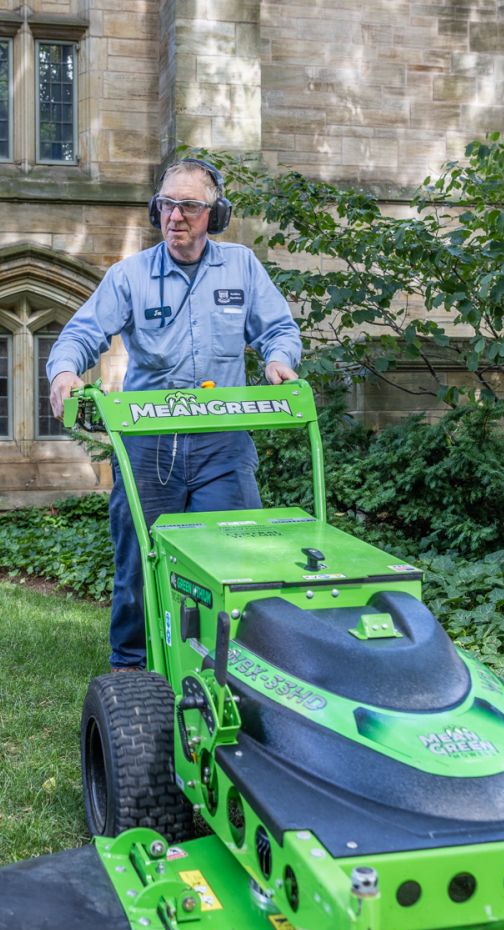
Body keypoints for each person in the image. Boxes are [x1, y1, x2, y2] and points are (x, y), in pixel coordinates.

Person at [46, 158, 303, 671]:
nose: (176, 215)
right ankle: (131, 670)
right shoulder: (130, 277)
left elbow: (279, 330)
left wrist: (279, 360)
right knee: (141, 564)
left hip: (222, 445)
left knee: (236, 558)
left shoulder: (242, 268)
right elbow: (80, 334)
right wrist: (64, 373)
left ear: (215, 214)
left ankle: (231, 669)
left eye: (189, 205)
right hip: (148, 447)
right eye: (167, 204)